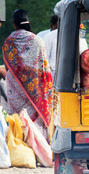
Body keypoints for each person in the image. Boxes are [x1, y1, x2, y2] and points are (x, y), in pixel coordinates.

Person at [2, 9, 53, 142]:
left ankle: (18, 146)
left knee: (18, 118)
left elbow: (8, 67)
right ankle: (38, 150)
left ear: (14, 24)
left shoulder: (9, 42)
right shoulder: (37, 40)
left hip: (15, 88)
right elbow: (44, 67)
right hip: (34, 88)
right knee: (35, 119)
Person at [43, 14, 58, 80]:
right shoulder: (48, 36)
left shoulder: (47, 36)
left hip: (52, 76)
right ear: (52, 26)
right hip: (52, 75)